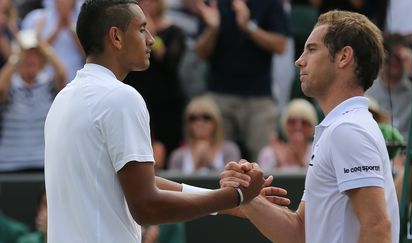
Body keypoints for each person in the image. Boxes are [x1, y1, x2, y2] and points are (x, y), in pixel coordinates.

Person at [44, 1, 267, 242]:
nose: (151, 39)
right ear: (116, 37)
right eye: (141, 29)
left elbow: (136, 182)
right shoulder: (120, 97)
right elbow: (146, 206)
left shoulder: (62, 99)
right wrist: (236, 197)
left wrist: (227, 202)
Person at [220, 10, 400, 243]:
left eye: (312, 49)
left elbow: (377, 227)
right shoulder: (340, 128)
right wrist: (249, 198)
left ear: (344, 57)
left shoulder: (347, 130)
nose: (299, 60)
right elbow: (301, 233)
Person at [195, 0, 289, 161]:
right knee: (216, 162)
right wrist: (212, 29)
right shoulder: (213, 4)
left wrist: (249, 27)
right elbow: (201, 53)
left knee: (267, 160)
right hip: (219, 95)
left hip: (259, 96)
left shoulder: (271, 3)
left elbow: (280, 45)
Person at [124, 0, 187, 162]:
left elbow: (171, 63)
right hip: (137, 94)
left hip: (166, 102)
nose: (147, 4)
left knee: (168, 148)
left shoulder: (174, 31)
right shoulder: (129, 33)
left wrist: (152, 35)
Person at [0, 33, 66, 172]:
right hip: (9, 165)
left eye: (35, 55)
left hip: (43, 164)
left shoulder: (48, 86)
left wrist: (45, 48)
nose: (31, 59)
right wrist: (16, 56)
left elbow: (61, 75)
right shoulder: (10, 86)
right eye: (27, 55)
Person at [168, 95, 240, 174]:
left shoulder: (230, 150)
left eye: (206, 117)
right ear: (187, 125)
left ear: (215, 122)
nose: (199, 123)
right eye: (193, 118)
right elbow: (174, 183)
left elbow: (234, 179)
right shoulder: (178, 156)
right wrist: (196, 163)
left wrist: (209, 161)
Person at [257, 98, 317, 171]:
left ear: (312, 127)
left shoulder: (317, 152)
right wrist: (278, 162)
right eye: (292, 122)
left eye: (304, 122)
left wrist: (300, 161)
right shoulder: (269, 153)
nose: (298, 127)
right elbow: (263, 180)